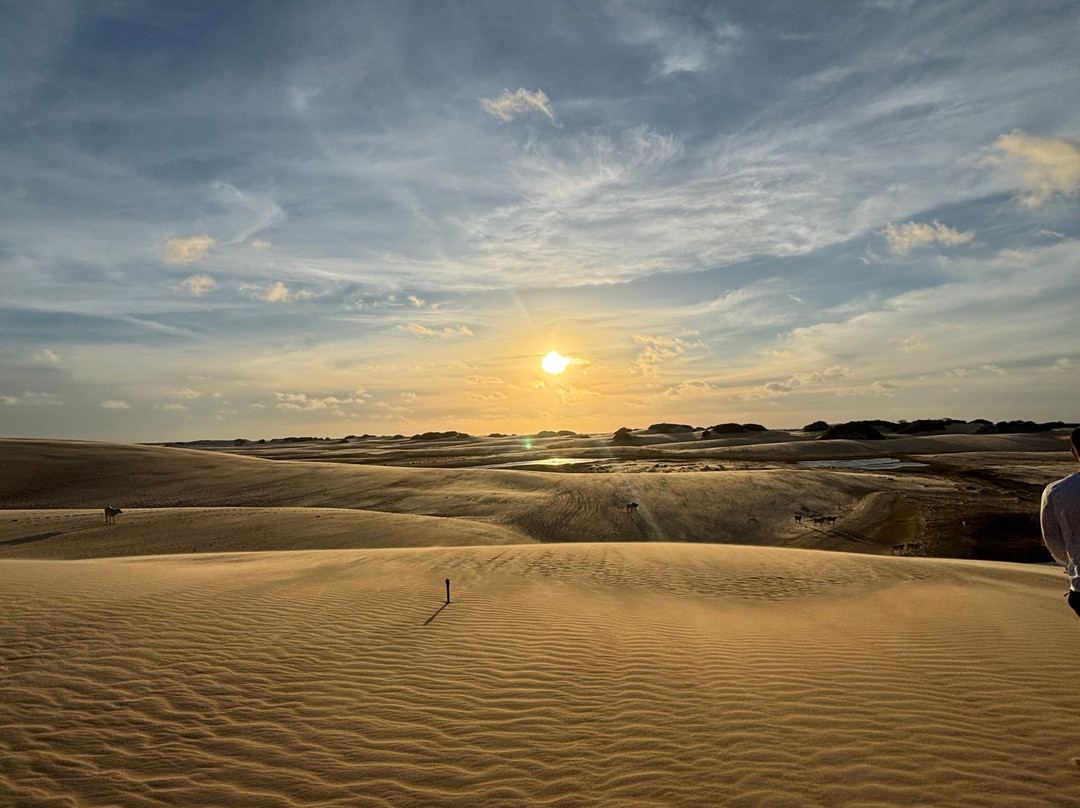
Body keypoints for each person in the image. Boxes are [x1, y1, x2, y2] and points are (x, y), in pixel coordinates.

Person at [1041, 427, 1080, 617]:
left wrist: (1072, 563)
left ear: (1074, 452)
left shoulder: (1056, 491)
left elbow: (1053, 541)